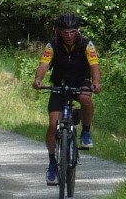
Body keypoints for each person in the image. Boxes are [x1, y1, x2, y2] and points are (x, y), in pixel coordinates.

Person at [31, 13, 102, 186]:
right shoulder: (52, 44)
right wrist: (38, 80)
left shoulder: (87, 44)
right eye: (65, 32)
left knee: (85, 98)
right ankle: (52, 164)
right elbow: (44, 64)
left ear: (77, 31)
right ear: (59, 31)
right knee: (52, 124)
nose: (69, 36)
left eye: (72, 32)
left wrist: (96, 83)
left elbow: (94, 66)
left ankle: (85, 131)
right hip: (59, 83)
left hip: (80, 80)